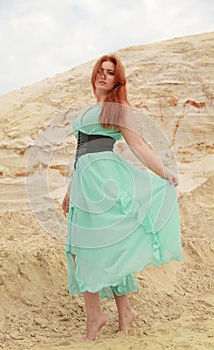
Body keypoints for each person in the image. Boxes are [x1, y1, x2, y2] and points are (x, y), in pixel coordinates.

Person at [62, 55, 182, 341]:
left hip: (105, 182)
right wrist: (70, 189)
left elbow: (138, 145)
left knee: (92, 248)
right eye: (100, 71)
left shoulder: (119, 108)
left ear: (118, 79)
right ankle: (125, 311)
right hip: (83, 183)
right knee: (89, 248)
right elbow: (79, 153)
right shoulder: (88, 109)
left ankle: (95, 318)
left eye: (110, 73)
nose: (104, 76)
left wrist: (165, 171)